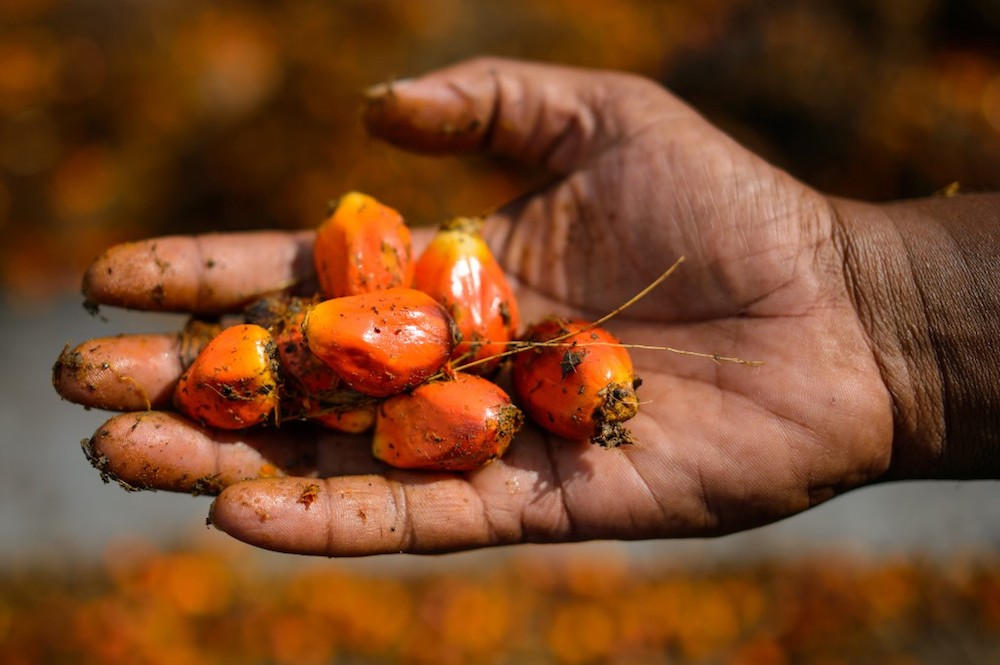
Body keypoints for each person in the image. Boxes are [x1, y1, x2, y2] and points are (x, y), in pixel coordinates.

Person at [54, 57, 1000, 557]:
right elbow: (408, 350)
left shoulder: (456, 350)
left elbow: (430, 357)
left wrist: (885, 315)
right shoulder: (397, 343)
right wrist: (886, 319)